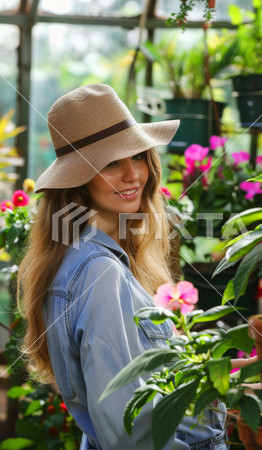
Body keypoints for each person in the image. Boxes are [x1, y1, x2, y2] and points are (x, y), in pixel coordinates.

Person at [17, 84, 230, 449]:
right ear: (77, 180)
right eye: (110, 163)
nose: (133, 174)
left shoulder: (89, 257)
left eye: (138, 156)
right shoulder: (100, 272)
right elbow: (131, 434)